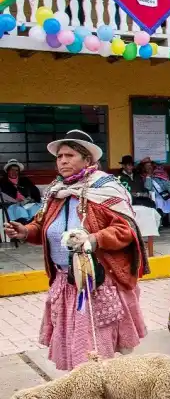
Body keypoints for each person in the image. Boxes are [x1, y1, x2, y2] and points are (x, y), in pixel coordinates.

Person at [3, 130, 148, 371]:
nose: (63, 161)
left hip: (96, 281)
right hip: (65, 280)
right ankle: (84, 389)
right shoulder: (56, 191)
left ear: (87, 159)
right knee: (75, 342)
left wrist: (94, 238)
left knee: (94, 343)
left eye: (69, 155)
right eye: (59, 156)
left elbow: (126, 230)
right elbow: (44, 226)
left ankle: (97, 394)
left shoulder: (105, 188)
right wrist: (26, 231)